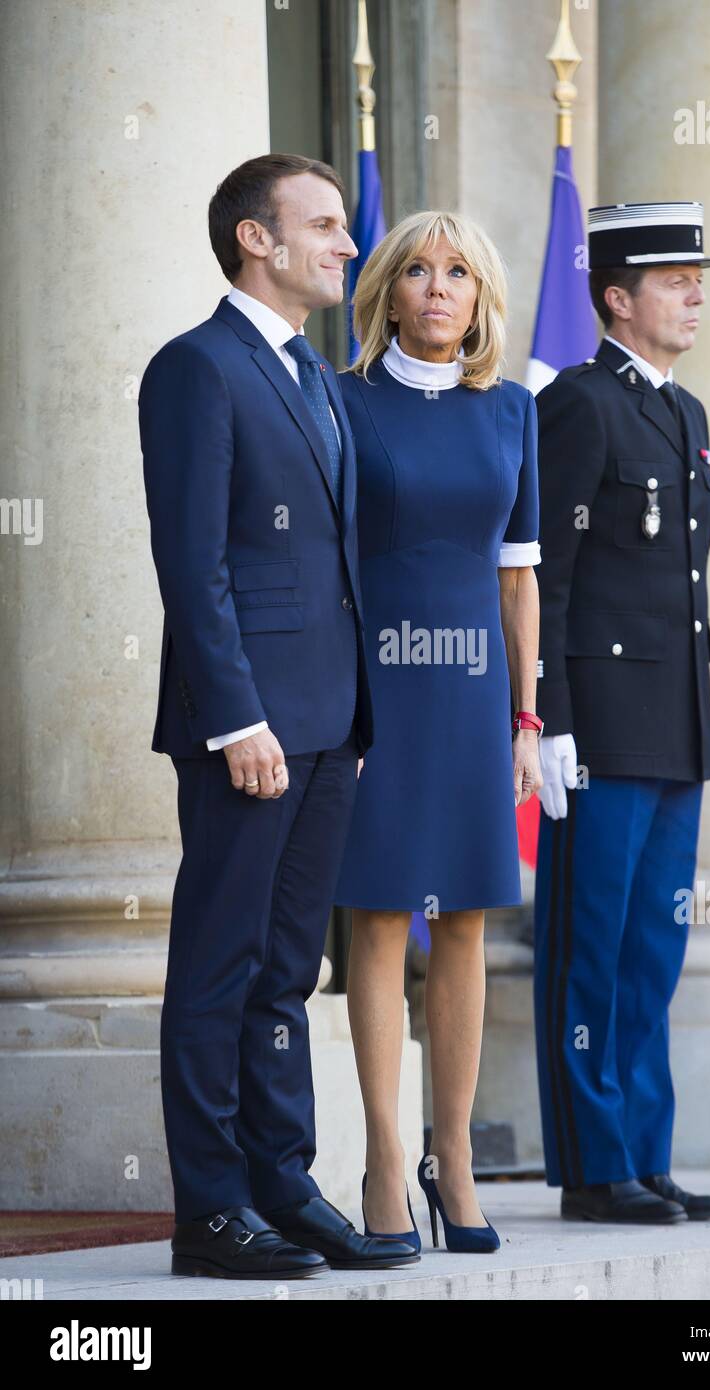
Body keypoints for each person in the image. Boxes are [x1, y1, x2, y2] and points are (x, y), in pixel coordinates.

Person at [139, 153, 418, 1278]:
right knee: (220, 960)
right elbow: (192, 561)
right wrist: (234, 716)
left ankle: (281, 1181)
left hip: (330, 720)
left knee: (287, 971)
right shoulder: (195, 369)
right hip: (247, 726)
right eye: (327, 225)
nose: (349, 245)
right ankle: (209, 1209)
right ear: (256, 239)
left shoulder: (314, 376)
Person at [332, 211, 543, 1252]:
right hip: (376, 692)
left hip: (471, 699)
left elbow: (520, 574)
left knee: (463, 920)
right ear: (387, 292)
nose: (437, 287)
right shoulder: (341, 400)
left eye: (458, 272)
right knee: (376, 917)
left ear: (482, 297)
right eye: (416, 269)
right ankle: (380, 1160)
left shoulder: (512, 411)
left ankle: (451, 1158)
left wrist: (526, 718)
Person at [533, 201, 710, 1223]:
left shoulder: (685, 411)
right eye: (674, 278)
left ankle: (647, 1154)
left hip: (672, 716)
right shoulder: (578, 404)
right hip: (601, 723)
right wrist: (550, 716)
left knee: (655, 950)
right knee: (593, 946)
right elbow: (548, 573)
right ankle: (593, 1163)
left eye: (698, 276)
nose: (696, 291)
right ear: (617, 298)